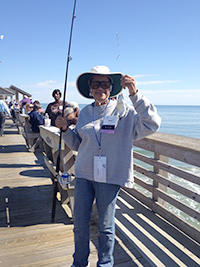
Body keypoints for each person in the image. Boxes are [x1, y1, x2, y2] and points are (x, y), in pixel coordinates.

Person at [55, 65, 161, 267]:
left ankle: (105, 264)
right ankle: (79, 263)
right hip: (85, 174)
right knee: (79, 225)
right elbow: (78, 144)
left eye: (104, 84)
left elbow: (152, 123)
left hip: (110, 176)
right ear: (90, 88)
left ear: (111, 87)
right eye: (95, 84)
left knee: (105, 226)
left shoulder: (125, 112)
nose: (100, 88)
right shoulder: (85, 113)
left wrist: (135, 94)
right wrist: (65, 130)